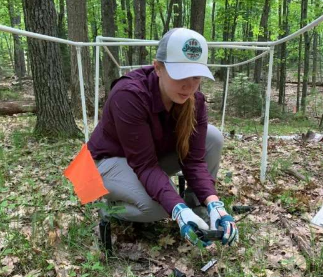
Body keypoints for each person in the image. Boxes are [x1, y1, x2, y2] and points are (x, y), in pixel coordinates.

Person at [88, 28, 238, 247]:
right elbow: (145, 165)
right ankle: (108, 207)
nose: (189, 86)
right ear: (158, 67)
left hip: (146, 159)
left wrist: (215, 204)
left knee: (212, 138)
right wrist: (177, 210)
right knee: (160, 207)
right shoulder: (129, 95)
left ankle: (197, 208)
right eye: (180, 76)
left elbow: (194, 161)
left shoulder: (195, 101)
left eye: (196, 77)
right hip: (107, 162)